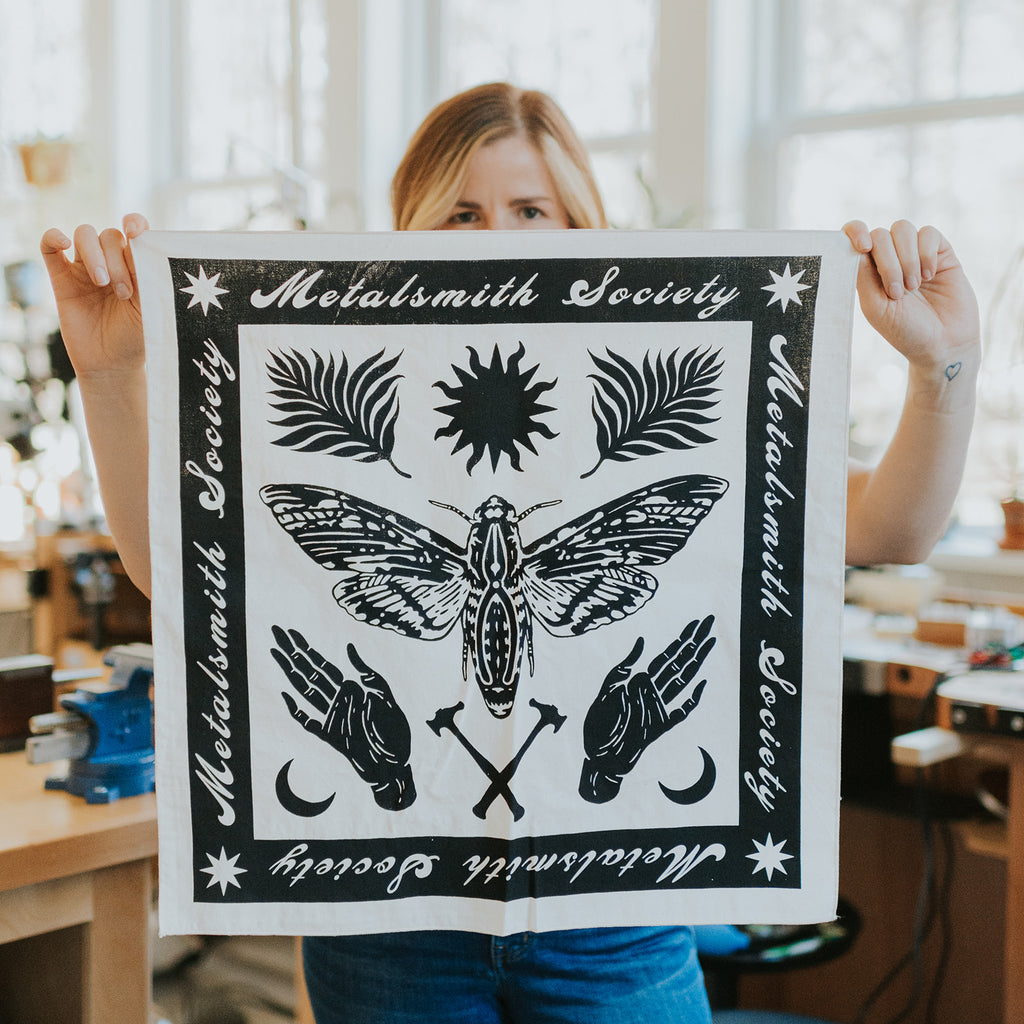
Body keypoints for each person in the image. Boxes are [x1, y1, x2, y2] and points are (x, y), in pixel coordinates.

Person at [40, 82, 979, 1024]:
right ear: (405, 232)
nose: (495, 233)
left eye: (530, 208)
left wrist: (942, 367)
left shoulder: (683, 390)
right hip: (384, 926)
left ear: (582, 224)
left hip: (617, 916)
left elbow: (892, 529)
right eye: (461, 212)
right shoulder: (325, 390)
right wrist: (112, 378)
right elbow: (176, 568)